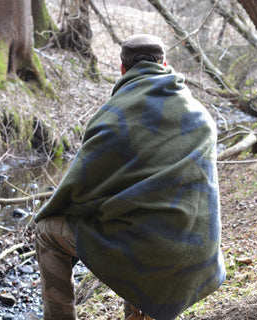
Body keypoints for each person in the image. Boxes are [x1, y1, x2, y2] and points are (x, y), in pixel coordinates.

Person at [34, 34, 226, 320]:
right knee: (135, 221)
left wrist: (51, 211)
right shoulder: (201, 116)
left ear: (122, 69)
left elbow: (76, 191)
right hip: (198, 257)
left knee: (47, 231)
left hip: (146, 251)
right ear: (164, 64)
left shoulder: (111, 117)